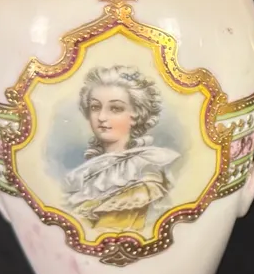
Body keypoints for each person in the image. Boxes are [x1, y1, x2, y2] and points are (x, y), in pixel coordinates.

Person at [62, 65, 180, 231]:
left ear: (136, 115)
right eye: (95, 107)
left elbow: (109, 233)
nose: (101, 117)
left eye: (115, 108)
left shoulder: (142, 169)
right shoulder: (85, 173)